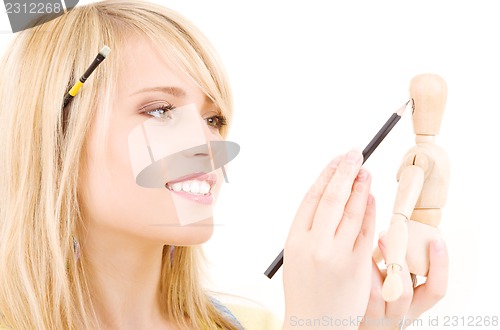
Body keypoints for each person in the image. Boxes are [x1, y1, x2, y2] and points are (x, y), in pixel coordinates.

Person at [0, 1, 448, 329]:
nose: (206, 144)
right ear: (55, 135)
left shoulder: (256, 324)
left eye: (213, 119)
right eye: (159, 111)